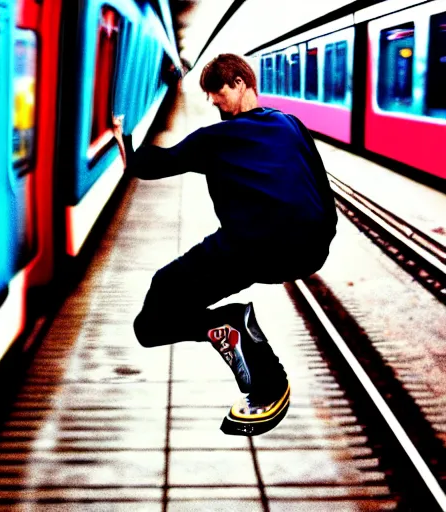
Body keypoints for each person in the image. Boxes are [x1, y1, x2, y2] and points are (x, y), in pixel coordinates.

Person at [112, 54, 337, 436]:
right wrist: (317, 238)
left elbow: (150, 165)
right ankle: (254, 364)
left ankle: (231, 329)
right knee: (180, 297)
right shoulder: (291, 124)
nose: (214, 102)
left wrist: (123, 137)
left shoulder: (214, 139)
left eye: (217, 93)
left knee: (152, 321)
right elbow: (322, 187)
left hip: (251, 250)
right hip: (312, 248)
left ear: (239, 83)